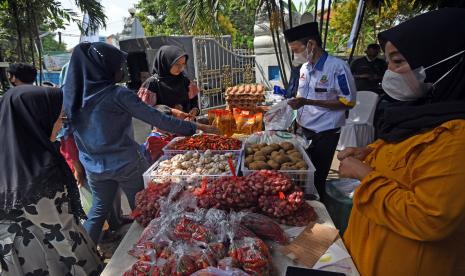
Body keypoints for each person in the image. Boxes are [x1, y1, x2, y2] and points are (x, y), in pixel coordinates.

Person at [339, 8, 465, 276]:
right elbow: (410, 155)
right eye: (388, 63)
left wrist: (364, 173)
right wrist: (371, 151)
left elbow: (429, 218)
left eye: (398, 62)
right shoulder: (419, 115)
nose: (390, 73)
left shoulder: (457, 137)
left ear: (440, 63)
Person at [63, 42, 218, 244]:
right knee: (144, 209)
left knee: (98, 210)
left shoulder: (73, 96)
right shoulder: (117, 95)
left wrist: (77, 164)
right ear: (106, 68)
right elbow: (157, 118)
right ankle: (150, 250)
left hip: (94, 165)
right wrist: (193, 128)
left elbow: (66, 133)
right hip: (127, 164)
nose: (122, 71)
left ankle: (85, 257)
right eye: (118, 66)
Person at [0, 85, 102, 275]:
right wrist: (84, 268)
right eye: (59, 117)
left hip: (12, 257)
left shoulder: (10, 154)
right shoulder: (39, 167)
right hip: (46, 255)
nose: (61, 125)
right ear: (36, 119)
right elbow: (59, 228)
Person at [283, 22, 356, 201]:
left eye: (296, 49)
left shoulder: (337, 67)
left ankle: (321, 214)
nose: (295, 54)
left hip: (325, 133)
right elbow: (301, 97)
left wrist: (308, 101)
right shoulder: (304, 69)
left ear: (311, 45)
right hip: (303, 130)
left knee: (317, 178)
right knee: (302, 177)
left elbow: (348, 101)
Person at [138, 45, 200, 118]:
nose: (181, 68)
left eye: (183, 64)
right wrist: (170, 111)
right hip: (163, 128)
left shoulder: (185, 81)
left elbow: (194, 102)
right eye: (176, 64)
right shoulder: (152, 84)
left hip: (186, 126)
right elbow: (145, 111)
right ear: (165, 62)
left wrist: (195, 110)